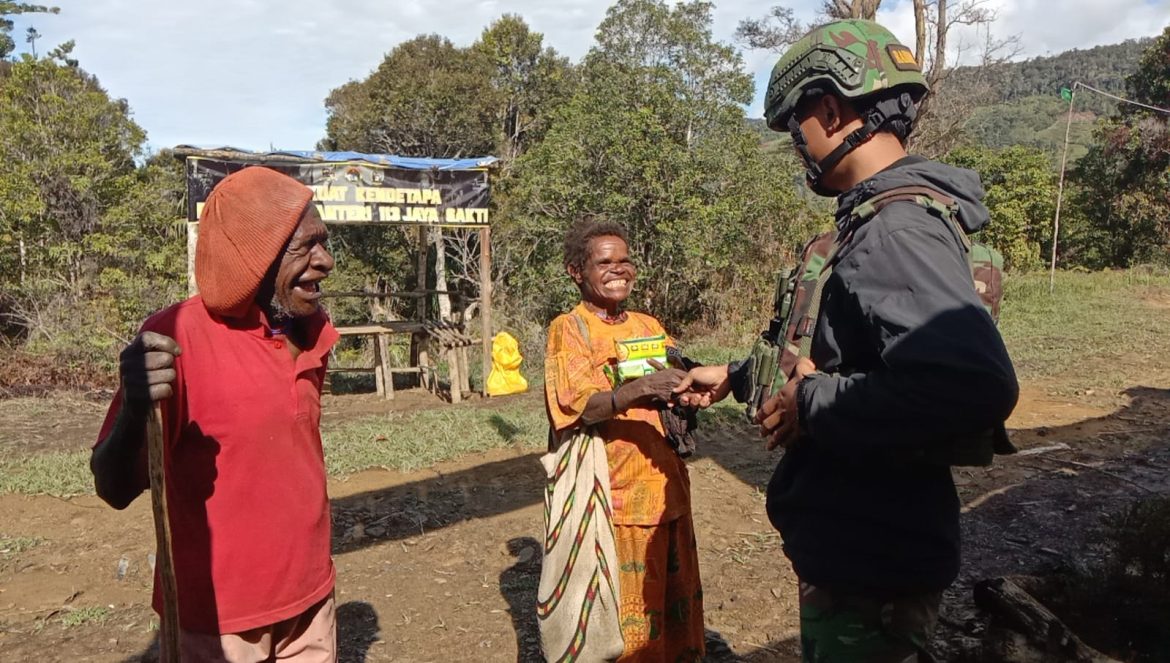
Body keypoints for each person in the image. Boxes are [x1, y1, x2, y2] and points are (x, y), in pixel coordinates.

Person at [679, 19, 1019, 662]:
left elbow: (970, 385)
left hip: (873, 560)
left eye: (796, 130)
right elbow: (851, 360)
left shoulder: (895, 230)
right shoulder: (883, 220)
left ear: (830, 111)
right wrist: (736, 375)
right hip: (869, 547)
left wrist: (810, 403)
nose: (798, 149)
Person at [90, 166, 340, 662]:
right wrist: (135, 409)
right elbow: (112, 488)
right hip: (217, 623)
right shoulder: (174, 338)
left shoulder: (309, 327)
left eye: (324, 242)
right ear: (256, 257)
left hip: (312, 602)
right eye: (305, 247)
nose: (326, 261)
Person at [544, 218, 704, 662]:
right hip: (616, 499)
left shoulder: (647, 323)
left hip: (667, 488)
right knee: (628, 624)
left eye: (625, 260)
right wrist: (638, 389)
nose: (619, 270)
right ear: (577, 271)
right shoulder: (569, 328)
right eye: (605, 262)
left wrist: (690, 391)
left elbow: (676, 378)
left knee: (673, 614)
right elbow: (575, 407)